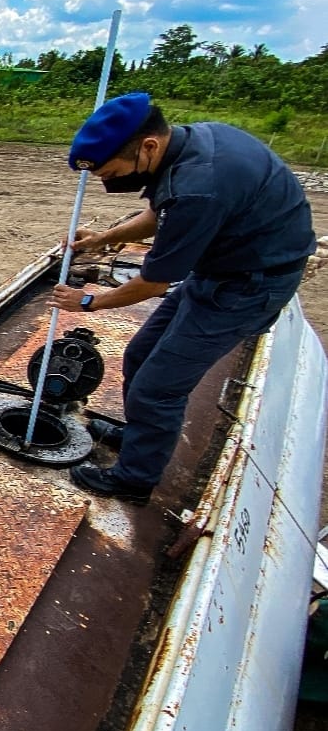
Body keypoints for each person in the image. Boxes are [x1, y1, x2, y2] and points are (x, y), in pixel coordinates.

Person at [50, 92, 315, 506]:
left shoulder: (198, 187)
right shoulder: (195, 145)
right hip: (220, 270)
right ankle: (139, 437)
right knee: (140, 355)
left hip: (247, 288)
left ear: (148, 145)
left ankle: (135, 480)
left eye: (112, 172)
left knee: (159, 387)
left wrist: (86, 302)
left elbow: (153, 284)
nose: (108, 183)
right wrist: (105, 238)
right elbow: (162, 214)